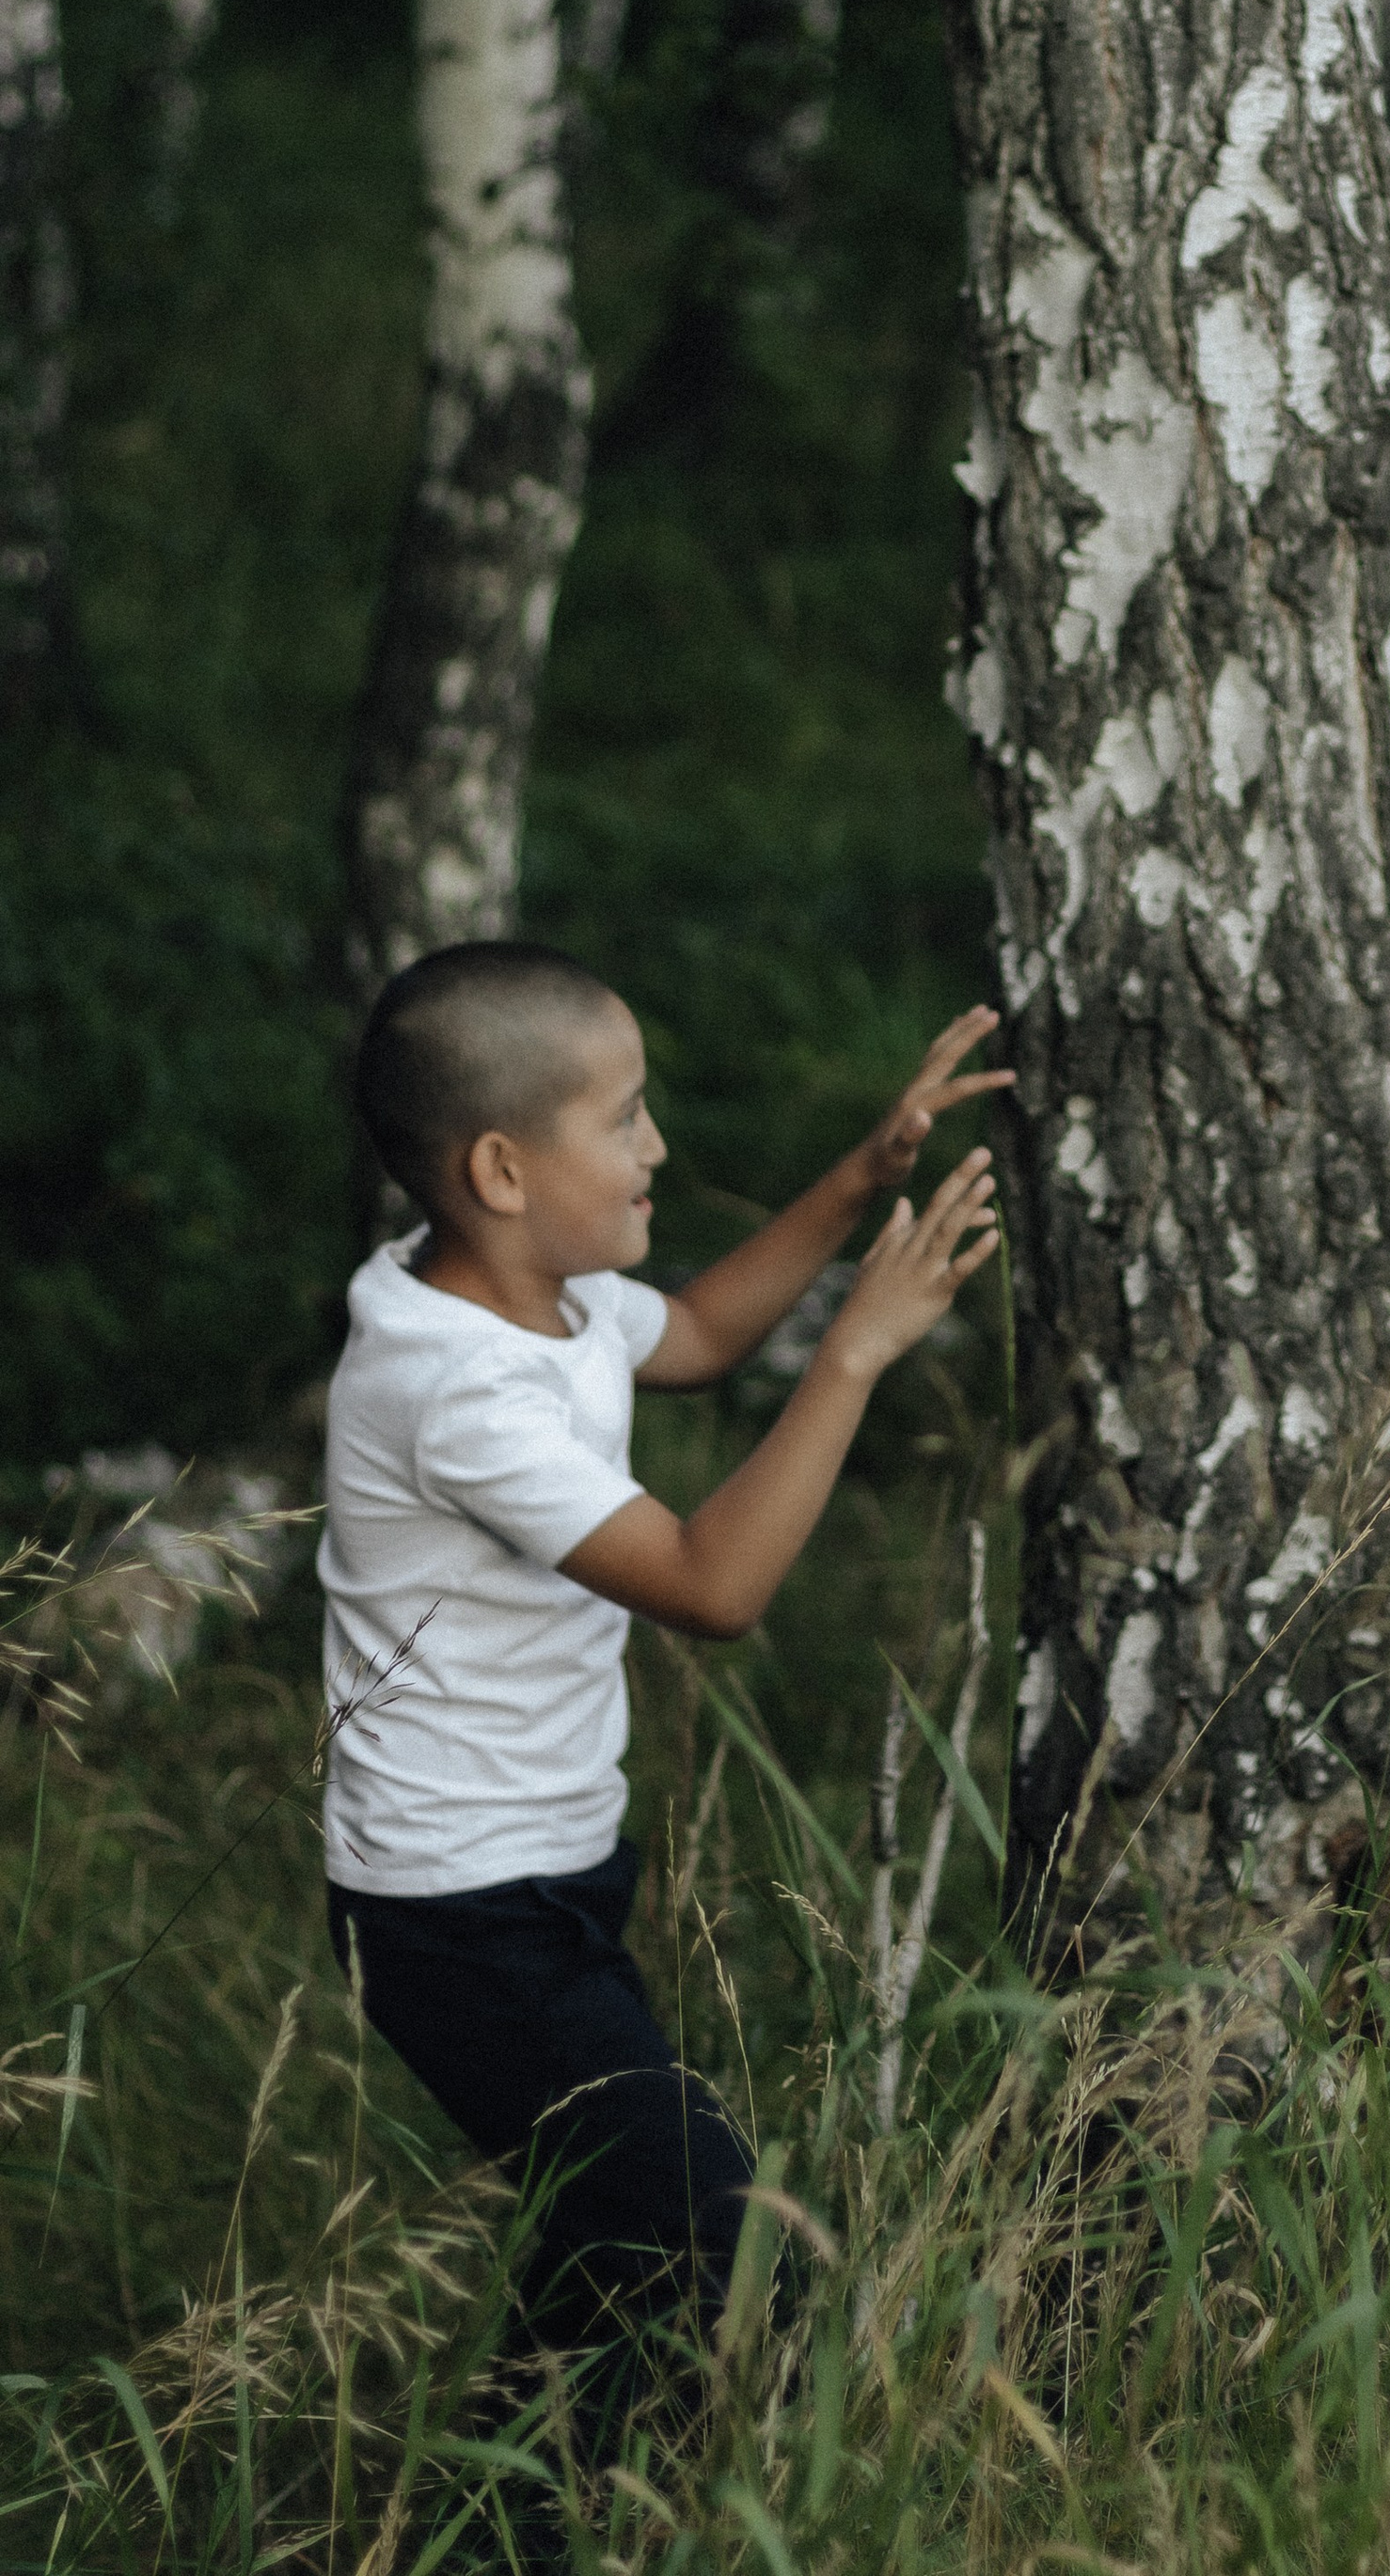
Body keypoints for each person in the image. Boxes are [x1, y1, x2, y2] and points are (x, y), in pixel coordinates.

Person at [320, 943, 1008, 2446]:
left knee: (613, 2253)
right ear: (502, 1169)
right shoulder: (455, 1387)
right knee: (711, 2240)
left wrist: (857, 1178)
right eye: (624, 1119)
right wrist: (858, 1350)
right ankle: (518, 2538)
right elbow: (713, 1586)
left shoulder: (544, 1307)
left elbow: (691, 1335)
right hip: (462, 1922)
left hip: (550, 1883)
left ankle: (491, 2533)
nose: (659, 1148)